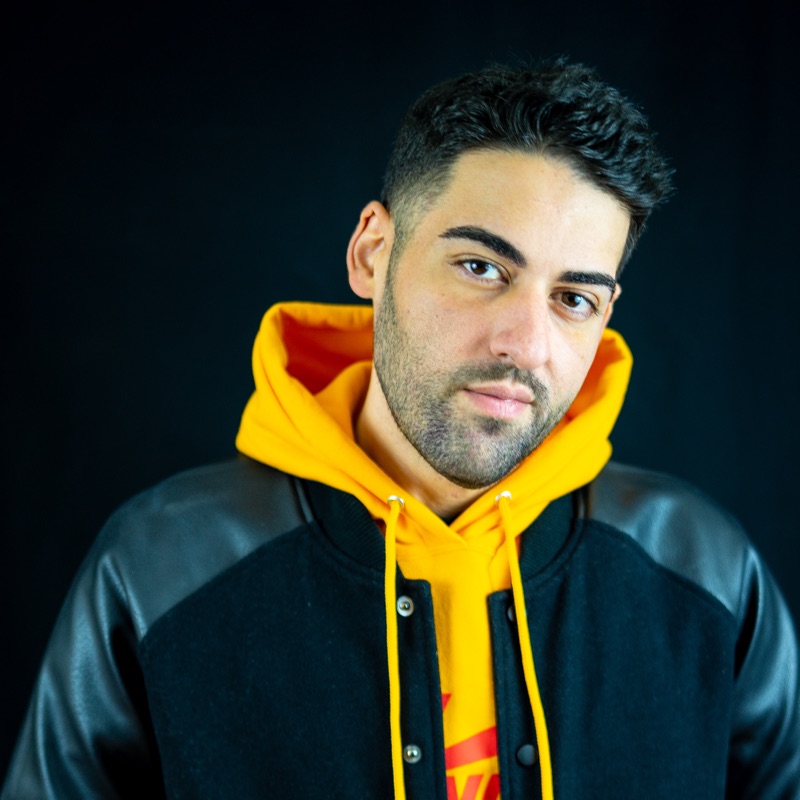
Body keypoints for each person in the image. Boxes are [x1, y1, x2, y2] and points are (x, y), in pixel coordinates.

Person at [3, 61, 798, 800]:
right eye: (481, 267)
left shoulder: (706, 569)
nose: (525, 344)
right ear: (372, 252)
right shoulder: (158, 567)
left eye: (573, 299)